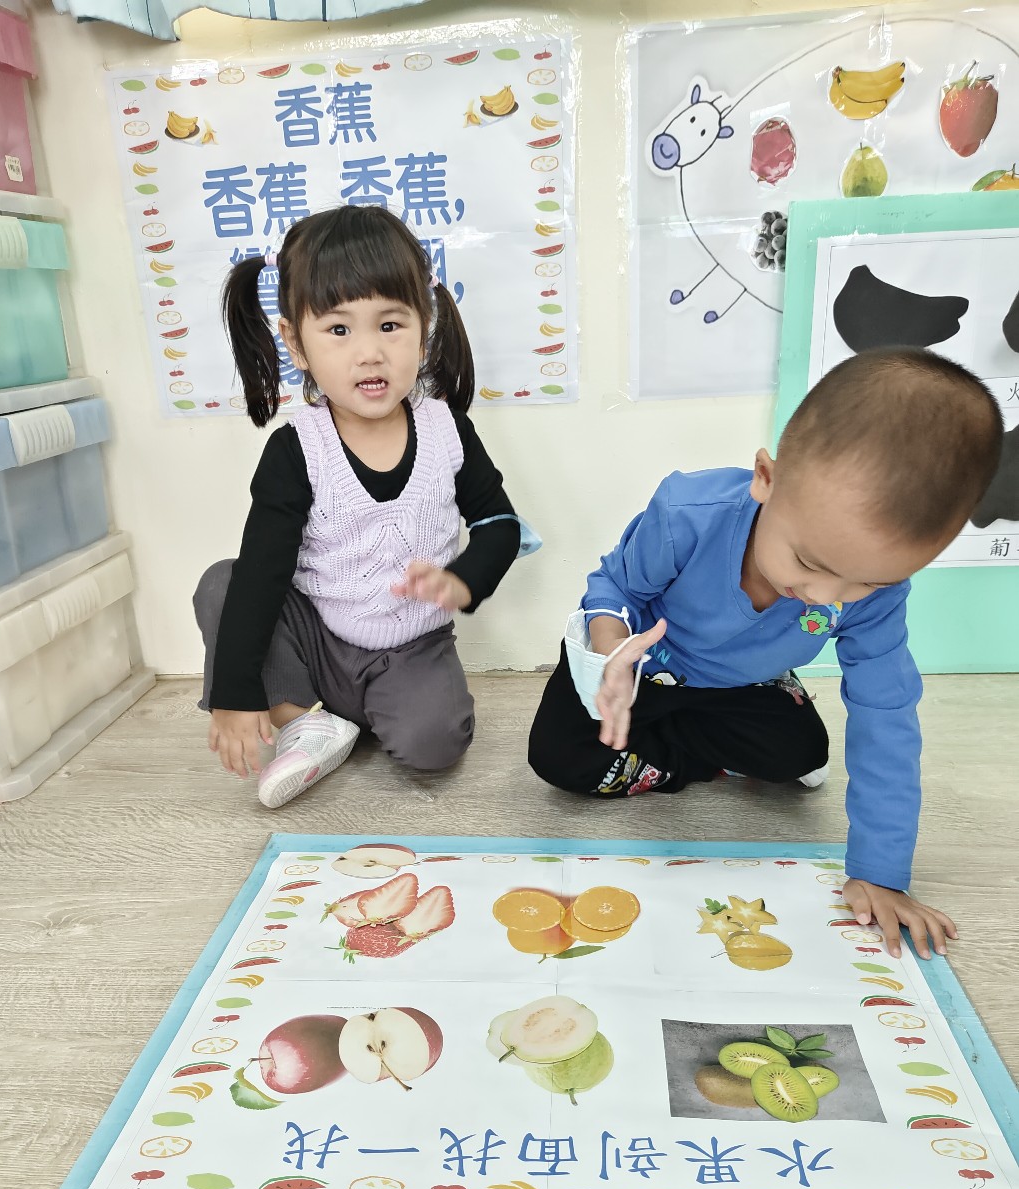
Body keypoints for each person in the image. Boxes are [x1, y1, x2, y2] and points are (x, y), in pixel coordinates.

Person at [528, 348, 1003, 960]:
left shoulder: (879, 596)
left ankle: (717, 730)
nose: (826, 597)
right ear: (766, 479)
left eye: (866, 582)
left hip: (737, 685)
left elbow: (886, 714)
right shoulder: (687, 514)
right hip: (637, 667)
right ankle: (701, 747)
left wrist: (880, 872)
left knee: (800, 757)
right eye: (809, 561)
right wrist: (609, 653)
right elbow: (614, 587)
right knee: (559, 759)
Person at [194, 205, 525, 808]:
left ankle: (359, 717)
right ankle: (304, 721)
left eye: (390, 325)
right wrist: (234, 694)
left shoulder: (446, 429)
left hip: (411, 649)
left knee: (436, 745)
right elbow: (263, 574)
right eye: (339, 330)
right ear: (296, 343)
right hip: (318, 640)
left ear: (424, 327)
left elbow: (500, 524)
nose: (369, 353)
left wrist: (462, 580)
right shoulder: (298, 449)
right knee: (224, 583)